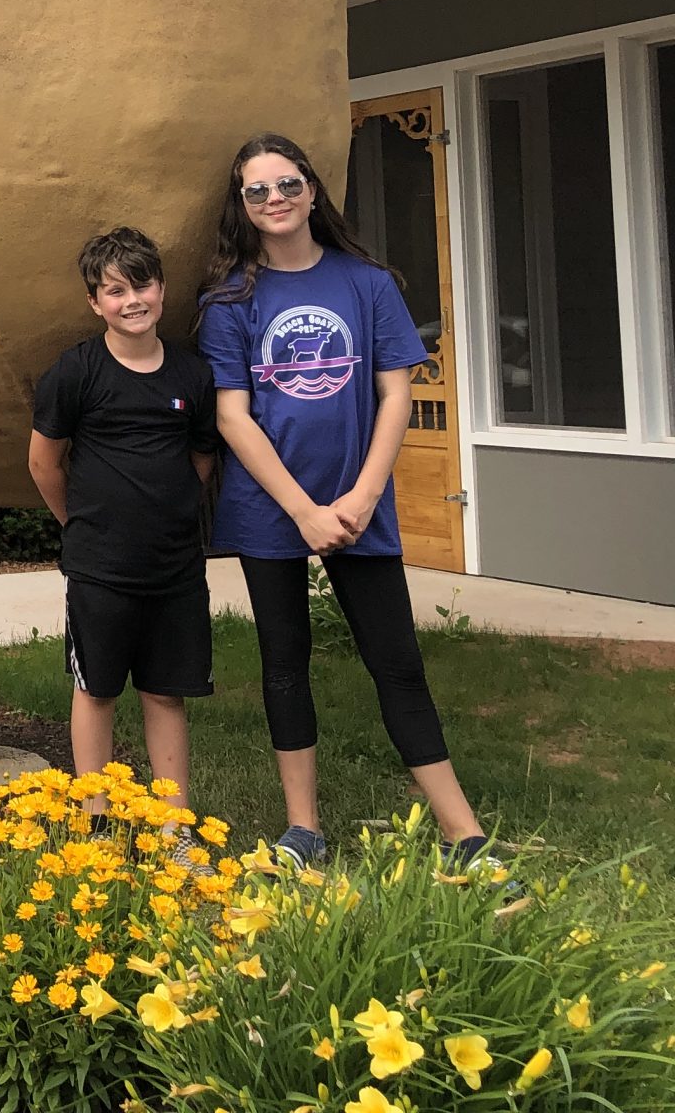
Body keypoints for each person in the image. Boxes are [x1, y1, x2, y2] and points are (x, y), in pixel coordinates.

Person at [196, 131, 495, 869]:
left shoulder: (367, 284)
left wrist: (362, 494)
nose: (274, 199)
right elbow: (232, 415)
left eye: (287, 184)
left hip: (360, 505)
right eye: (257, 190)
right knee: (284, 662)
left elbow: (398, 391)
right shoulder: (229, 300)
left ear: (312, 190)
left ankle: (464, 834)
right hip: (272, 507)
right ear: (242, 205)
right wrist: (301, 509)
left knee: (396, 662)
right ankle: (304, 830)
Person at [29, 226, 219, 809]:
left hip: (175, 568)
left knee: (165, 695)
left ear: (162, 289)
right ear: (95, 303)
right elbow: (43, 463)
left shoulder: (192, 376)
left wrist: (168, 515)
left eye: (142, 285)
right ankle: (96, 818)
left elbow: (202, 460)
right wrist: (80, 524)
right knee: (97, 690)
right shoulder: (75, 372)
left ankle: (173, 826)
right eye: (115, 291)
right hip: (100, 569)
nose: (131, 300)